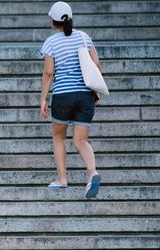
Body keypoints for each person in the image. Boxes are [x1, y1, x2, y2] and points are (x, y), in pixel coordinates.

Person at [40, 1, 102, 198]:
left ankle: (62, 179)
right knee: (81, 140)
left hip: (63, 96)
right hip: (85, 95)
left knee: (59, 137)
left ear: (52, 21)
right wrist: (96, 92)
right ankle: (92, 173)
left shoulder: (51, 42)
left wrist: (43, 98)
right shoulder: (84, 38)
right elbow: (96, 65)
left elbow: (49, 73)